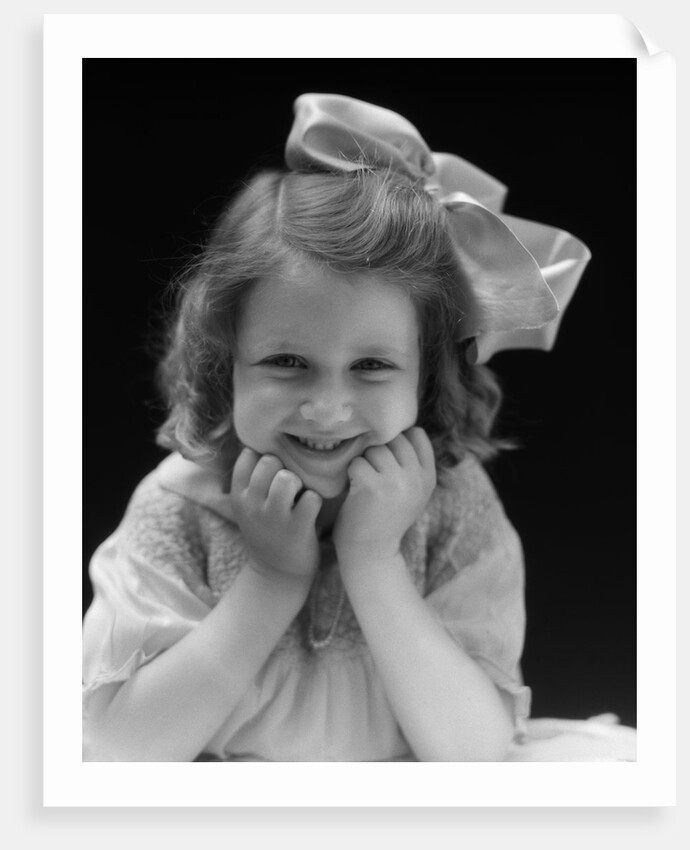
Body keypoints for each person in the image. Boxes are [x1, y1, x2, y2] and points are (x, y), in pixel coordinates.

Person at [82, 93, 636, 762]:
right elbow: (119, 751)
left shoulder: (454, 508)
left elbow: (475, 754)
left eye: (372, 366)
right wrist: (270, 578)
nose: (327, 408)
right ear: (225, 361)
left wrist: (375, 562)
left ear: (426, 375)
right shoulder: (180, 508)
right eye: (286, 362)